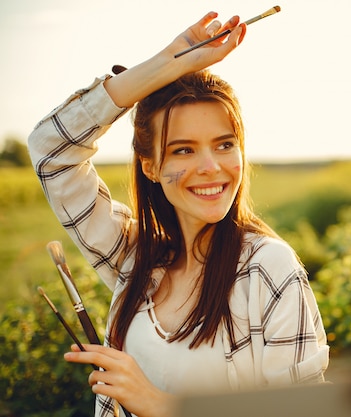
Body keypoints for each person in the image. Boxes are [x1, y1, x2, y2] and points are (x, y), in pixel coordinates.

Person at [28, 10, 329, 417]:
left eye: (224, 145)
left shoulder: (268, 271)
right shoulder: (134, 256)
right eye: (183, 150)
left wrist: (160, 405)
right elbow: (51, 151)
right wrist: (165, 63)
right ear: (150, 166)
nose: (211, 167)